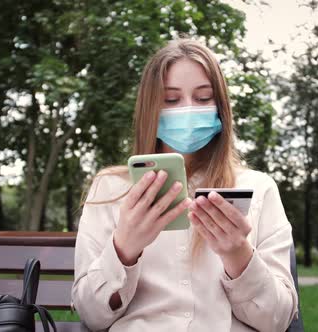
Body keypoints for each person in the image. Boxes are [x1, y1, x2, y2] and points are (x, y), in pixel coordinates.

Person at [71, 39, 298, 332]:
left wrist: (238, 254)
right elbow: (91, 316)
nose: (188, 110)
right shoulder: (110, 189)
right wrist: (124, 248)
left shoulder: (259, 188)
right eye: (171, 99)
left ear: (220, 108)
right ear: (150, 108)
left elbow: (278, 321)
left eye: (203, 98)